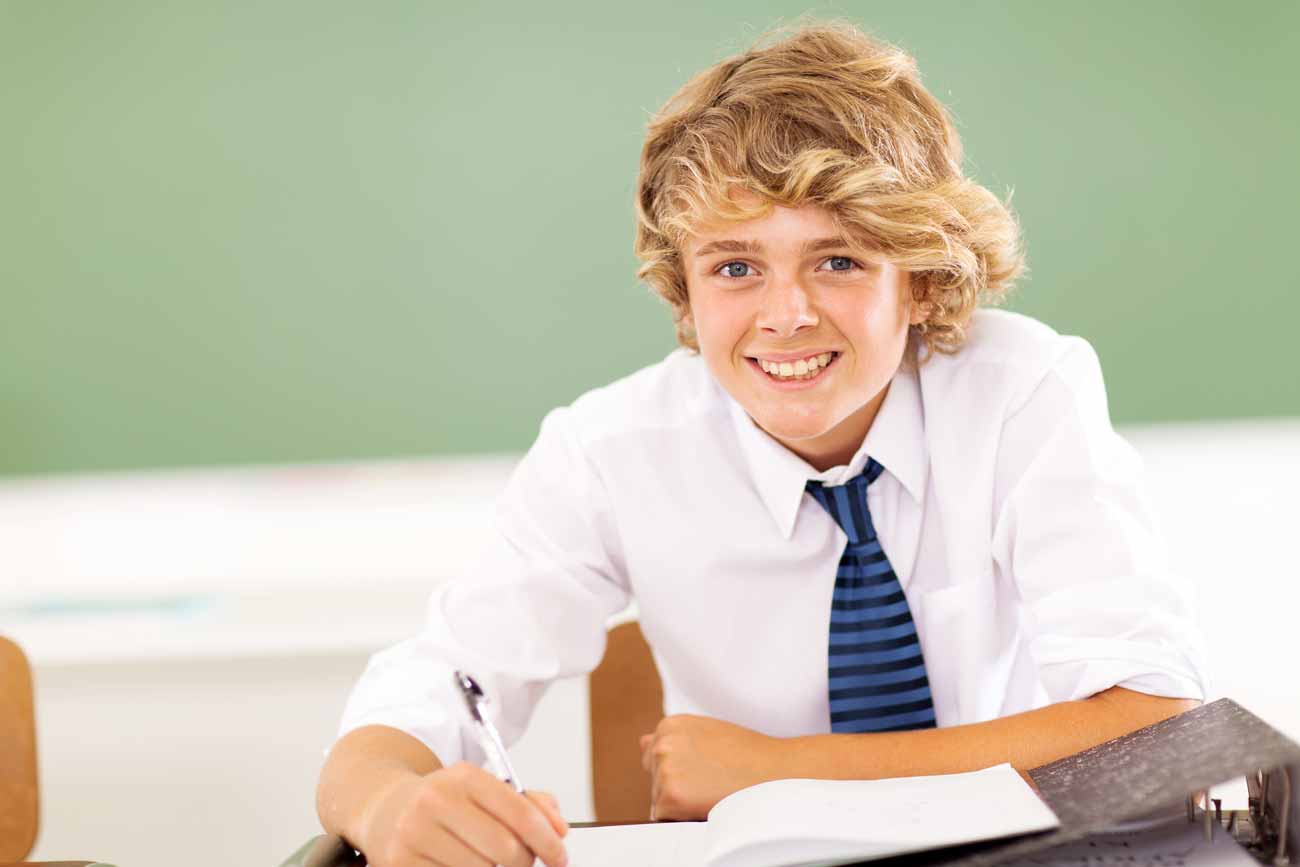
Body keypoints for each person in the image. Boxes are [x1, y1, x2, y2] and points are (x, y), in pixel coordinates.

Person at [316, 20, 1206, 867]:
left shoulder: (1021, 393)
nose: (786, 315)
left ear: (924, 282)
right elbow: (425, 691)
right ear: (685, 289)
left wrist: (778, 767)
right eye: (735, 267)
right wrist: (388, 801)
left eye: (839, 260)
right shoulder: (610, 450)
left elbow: (1159, 722)